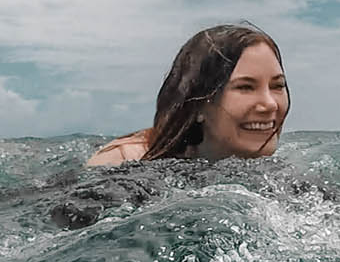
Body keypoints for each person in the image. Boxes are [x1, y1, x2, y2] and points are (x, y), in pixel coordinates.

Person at [86, 24, 290, 166]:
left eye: (277, 86)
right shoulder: (125, 162)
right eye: (245, 87)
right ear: (199, 104)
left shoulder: (279, 178)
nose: (270, 104)